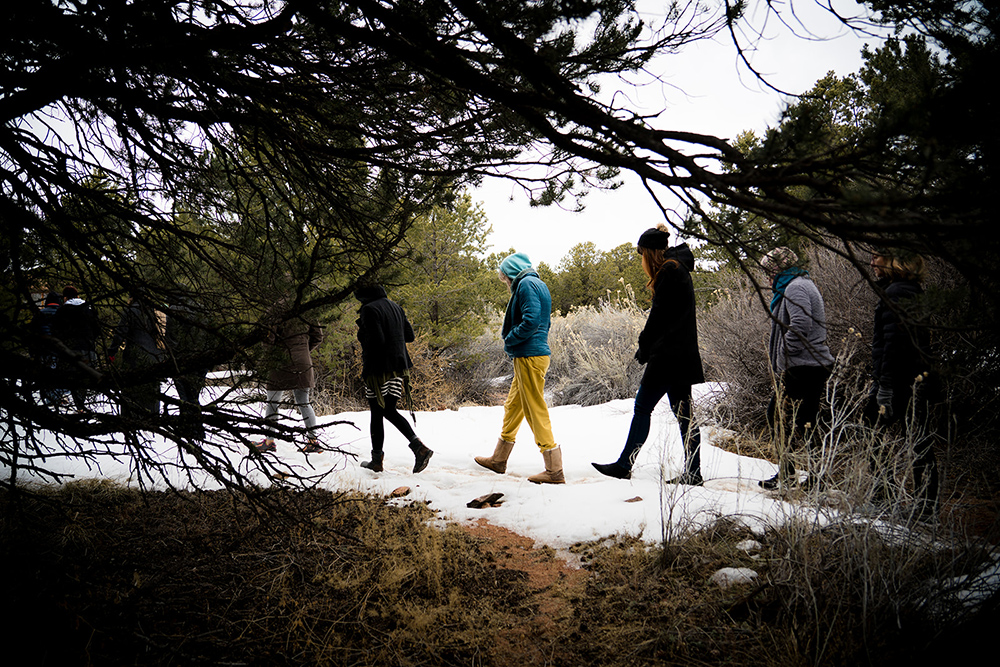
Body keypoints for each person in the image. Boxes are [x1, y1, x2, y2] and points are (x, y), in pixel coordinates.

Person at [592, 224, 706, 485]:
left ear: (649, 252)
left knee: (643, 407)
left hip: (667, 356)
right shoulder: (679, 268)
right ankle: (694, 472)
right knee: (685, 414)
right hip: (682, 354)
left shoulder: (669, 271)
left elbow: (658, 316)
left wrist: (644, 346)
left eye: (642, 254)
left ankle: (624, 465)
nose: (642, 260)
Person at [475, 251, 564, 484]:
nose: (505, 283)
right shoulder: (538, 284)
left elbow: (532, 319)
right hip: (534, 354)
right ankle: (498, 459)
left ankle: (554, 469)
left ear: (511, 273)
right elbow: (545, 321)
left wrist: (511, 338)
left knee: (535, 408)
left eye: (504, 278)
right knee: (514, 405)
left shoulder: (525, 284)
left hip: (529, 355)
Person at [865, 249, 938, 518]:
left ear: (895, 260)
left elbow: (894, 345)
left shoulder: (897, 292)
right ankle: (923, 507)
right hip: (911, 379)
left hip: (903, 381)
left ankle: (891, 498)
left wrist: (884, 386)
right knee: (918, 439)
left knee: (872, 427)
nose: (871, 262)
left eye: (877, 256)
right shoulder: (907, 289)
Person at [758, 246, 834, 490]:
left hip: (804, 365)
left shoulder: (795, 287)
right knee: (803, 420)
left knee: (784, 417)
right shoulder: (797, 284)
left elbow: (801, 323)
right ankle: (804, 476)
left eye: (769, 270)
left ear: (779, 268)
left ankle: (800, 476)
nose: (766, 276)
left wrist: (785, 352)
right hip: (807, 364)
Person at [354, 281, 433, 473]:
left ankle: (377, 460)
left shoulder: (369, 309)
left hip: (378, 369)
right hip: (399, 367)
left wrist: (361, 332)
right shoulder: (396, 307)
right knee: (388, 409)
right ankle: (417, 447)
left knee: (377, 411)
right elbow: (410, 336)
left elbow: (375, 340)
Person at [254, 309, 325, 454]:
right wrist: (303, 351)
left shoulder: (276, 310)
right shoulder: (308, 308)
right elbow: (318, 336)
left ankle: (269, 441)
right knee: (304, 402)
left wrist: (270, 355)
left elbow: (269, 339)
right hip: (303, 363)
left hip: (280, 362)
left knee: (272, 402)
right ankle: (313, 442)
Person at [109, 296, 164, 418]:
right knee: (152, 388)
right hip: (154, 356)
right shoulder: (154, 312)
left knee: (132, 387)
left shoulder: (130, 311)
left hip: (134, 355)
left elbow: (119, 334)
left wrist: (111, 353)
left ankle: (131, 416)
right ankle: (152, 416)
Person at [165, 297, 212, 440]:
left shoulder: (173, 312)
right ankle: (197, 429)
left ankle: (189, 429)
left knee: (184, 397)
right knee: (193, 396)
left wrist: (172, 358)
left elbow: (170, 338)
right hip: (201, 360)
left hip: (182, 360)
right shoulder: (202, 311)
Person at [51, 285, 101, 412]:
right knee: (83, 378)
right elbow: (97, 330)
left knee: (69, 376)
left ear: (65, 297)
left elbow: (55, 330)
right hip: (88, 349)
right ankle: (80, 406)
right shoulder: (89, 308)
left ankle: (62, 402)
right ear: (78, 296)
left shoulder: (63, 310)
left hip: (70, 349)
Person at [30, 291, 64, 406]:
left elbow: (33, 334)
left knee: (45, 377)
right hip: (60, 351)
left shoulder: (40, 314)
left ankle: (48, 402)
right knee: (58, 378)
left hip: (43, 350)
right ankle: (55, 402)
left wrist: (32, 352)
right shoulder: (63, 315)